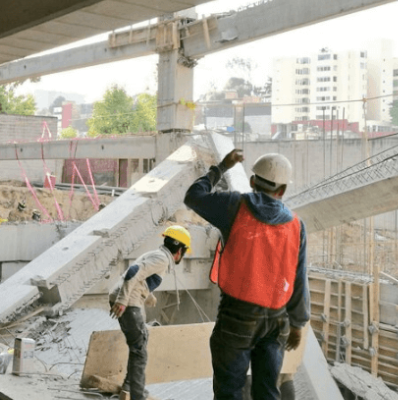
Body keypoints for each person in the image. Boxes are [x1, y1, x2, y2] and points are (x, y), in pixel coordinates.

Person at [184, 149, 309, 400]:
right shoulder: (296, 225)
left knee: (229, 391)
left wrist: (221, 167)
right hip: (277, 320)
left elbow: (193, 197)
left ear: (252, 182)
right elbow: (298, 277)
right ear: (282, 190)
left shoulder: (233, 206)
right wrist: (298, 324)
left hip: (237, 316)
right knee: (267, 391)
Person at [109, 226, 192, 400]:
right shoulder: (162, 259)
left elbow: (141, 277)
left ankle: (130, 386)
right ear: (179, 250)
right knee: (140, 348)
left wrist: (148, 295)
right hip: (129, 303)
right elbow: (133, 273)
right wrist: (123, 301)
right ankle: (137, 394)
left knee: (139, 342)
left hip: (129, 299)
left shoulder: (157, 254)